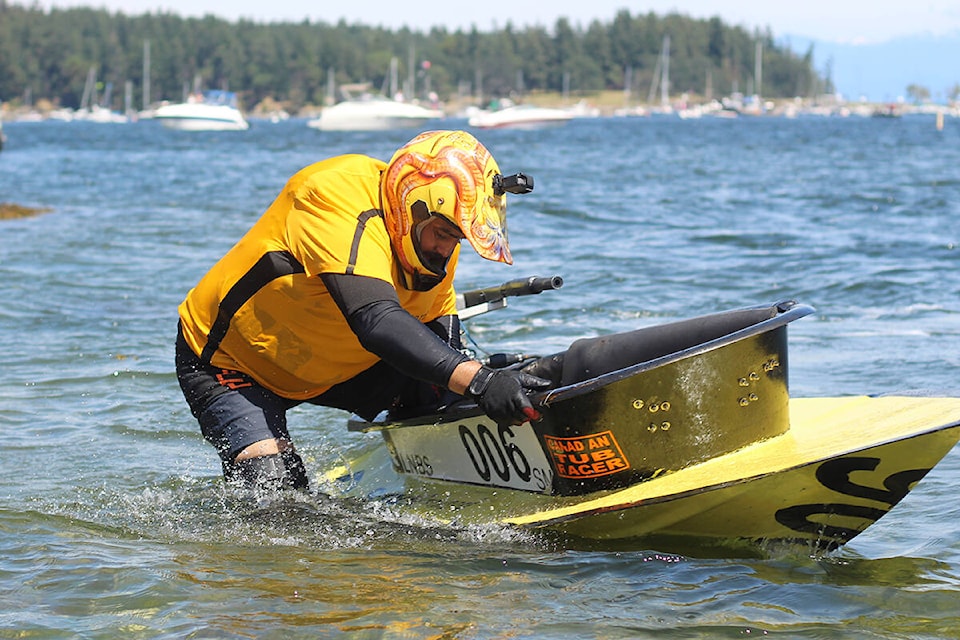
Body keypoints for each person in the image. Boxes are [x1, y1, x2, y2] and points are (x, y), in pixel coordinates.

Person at [175, 130, 550, 494]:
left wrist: (473, 390)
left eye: (457, 238)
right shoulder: (332, 193)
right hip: (234, 362)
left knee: (447, 387)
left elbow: (435, 330)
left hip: (337, 361)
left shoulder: (433, 236)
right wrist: (481, 381)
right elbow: (375, 318)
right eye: (442, 233)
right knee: (276, 488)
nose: (446, 248)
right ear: (409, 208)